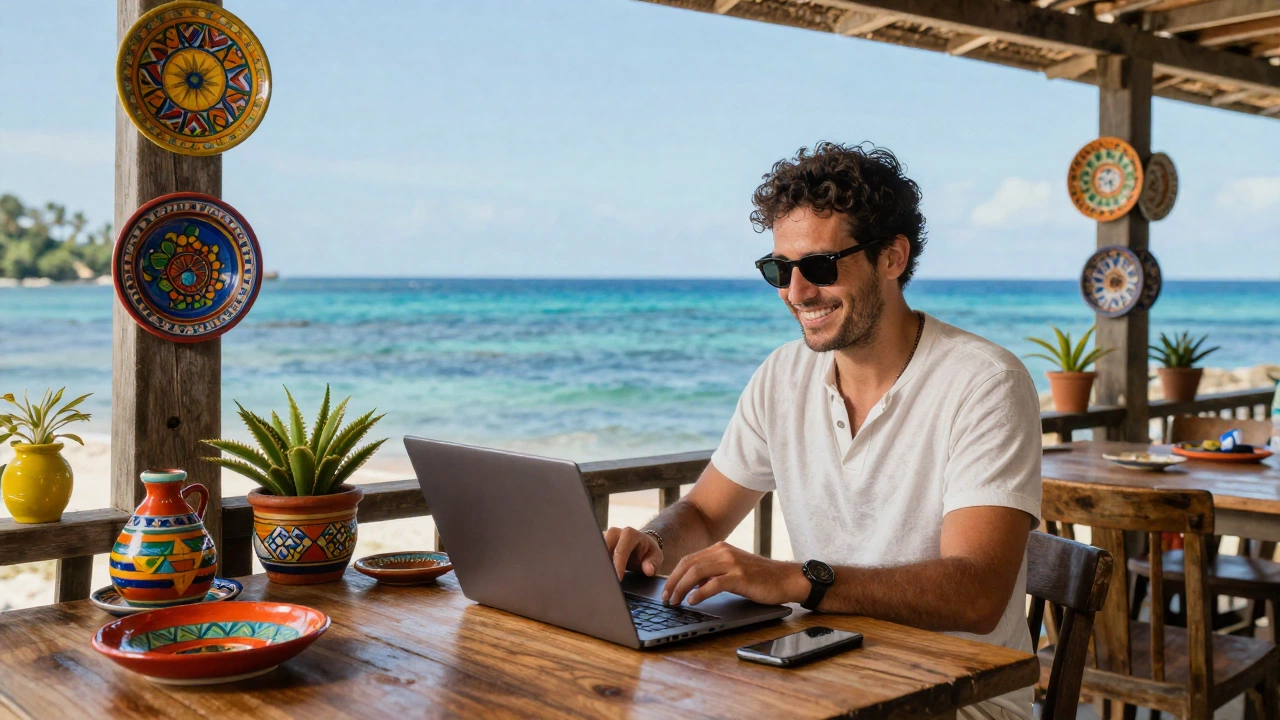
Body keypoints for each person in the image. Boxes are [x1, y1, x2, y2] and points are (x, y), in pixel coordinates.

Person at [605, 142, 1041, 720]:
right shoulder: (783, 375)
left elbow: (977, 592)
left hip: (957, 696)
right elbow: (707, 514)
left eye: (819, 267)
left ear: (891, 257)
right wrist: (654, 543)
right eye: (779, 270)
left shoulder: (985, 382)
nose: (795, 292)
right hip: (823, 671)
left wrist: (797, 581)